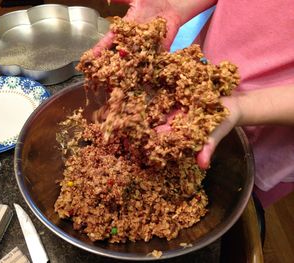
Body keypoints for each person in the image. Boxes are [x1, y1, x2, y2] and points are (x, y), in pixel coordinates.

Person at [94, 0, 294, 207]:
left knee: (240, 193)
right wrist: (175, 6)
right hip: (203, 78)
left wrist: (242, 107)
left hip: (272, 133)